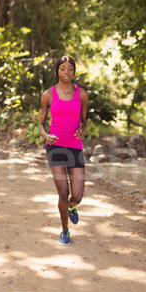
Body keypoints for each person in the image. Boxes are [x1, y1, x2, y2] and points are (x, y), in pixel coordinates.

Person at [38, 55, 88, 245]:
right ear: (57, 71)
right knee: (62, 192)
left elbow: (84, 120)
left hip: (74, 146)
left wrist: (83, 129)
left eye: (70, 69)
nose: (67, 72)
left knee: (77, 195)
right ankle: (64, 230)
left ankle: (72, 207)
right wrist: (45, 135)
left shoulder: (81, 94)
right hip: (56, 145)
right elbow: (41, 124)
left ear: (74, 71)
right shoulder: (47, 95)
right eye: (63, 69)